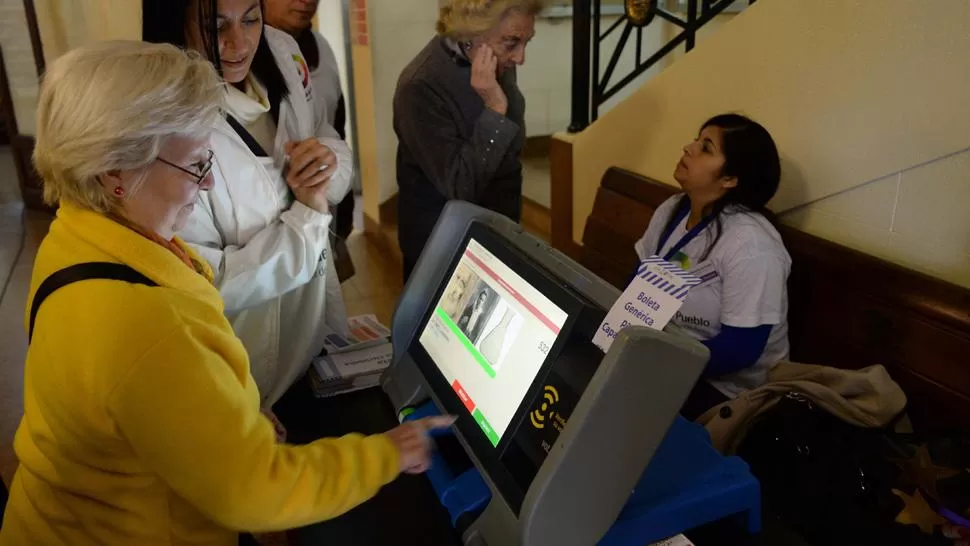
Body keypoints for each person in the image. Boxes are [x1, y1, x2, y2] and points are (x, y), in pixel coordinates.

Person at [0, 40, 453, 546]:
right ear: (116, 173)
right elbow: (257, 491)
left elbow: (136, 402)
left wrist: (226, 408)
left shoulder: (77, 234)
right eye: (195, 165)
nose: (210, 181)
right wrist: (388, 453)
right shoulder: (146, 326)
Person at [142, 0, 352, 413]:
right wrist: (307, 215)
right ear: (174, 23)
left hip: (313, 326)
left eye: (250, 19)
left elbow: (323, 130)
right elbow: (206, 281)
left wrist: (325, 164)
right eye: (215, 26)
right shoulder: (163, 125)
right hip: (248, 357)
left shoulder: (282, 51)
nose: (238, 43)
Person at [631, 114, 791, 420]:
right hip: (665, 355)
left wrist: (656, 361)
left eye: (705, 147)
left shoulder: (752, 246)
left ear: (730, 179)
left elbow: (739, 350)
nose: (687, 148)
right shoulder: (673, 210)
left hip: (728, 390)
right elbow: (637, 281)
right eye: (696, 139)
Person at [394, 0, 547, 282]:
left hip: (497, 233)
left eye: (526, 41)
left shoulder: (493, 58)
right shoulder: (420, 85)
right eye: (512, 42)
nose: (520, 57)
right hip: (440, 247)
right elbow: (460, 186)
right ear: (470, 32)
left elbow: (509, 154)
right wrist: (494, 109)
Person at [264, 0, 357, 277]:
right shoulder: (242, 59)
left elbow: (337, 127)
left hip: (325, 203)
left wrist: (344, 209)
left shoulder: (322, 49)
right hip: (275, 232)